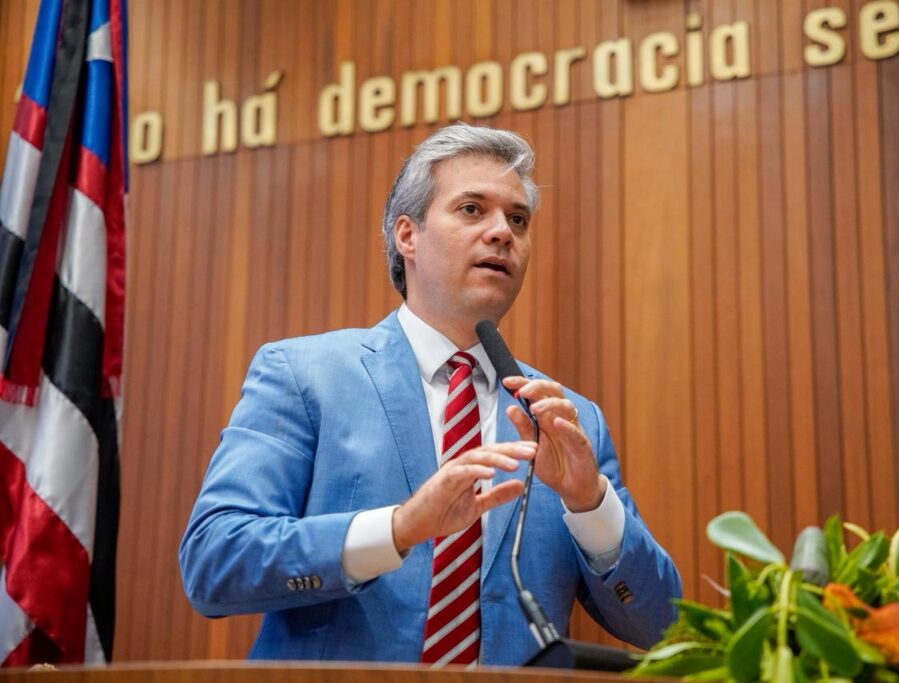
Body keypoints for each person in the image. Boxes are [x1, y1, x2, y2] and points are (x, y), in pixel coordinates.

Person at [179, 123, 682, 667]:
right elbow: (215, 562)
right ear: (407, 236)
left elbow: (663, 627)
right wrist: (396, 530)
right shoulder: (304, 376)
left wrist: (590, 505)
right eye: (472, 209)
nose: (502, 232)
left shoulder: (567, 422)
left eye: (518, 219)